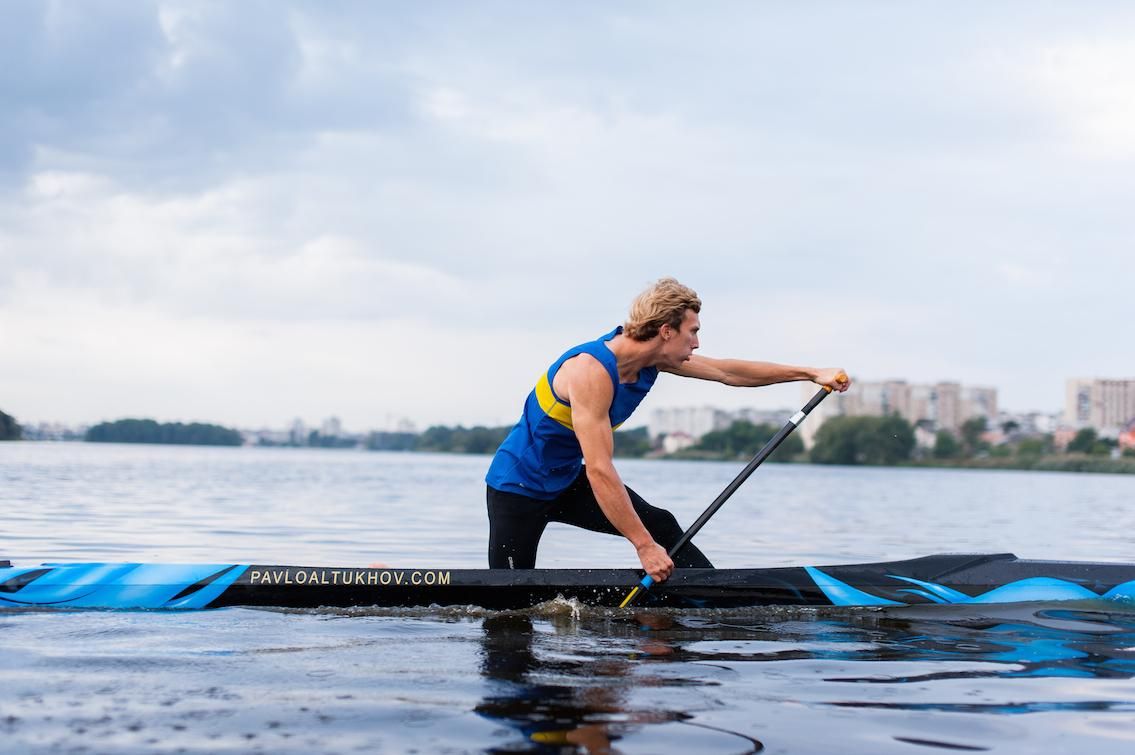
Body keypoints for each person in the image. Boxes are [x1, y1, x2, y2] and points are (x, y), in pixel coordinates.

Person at [484, 277, 850, 583]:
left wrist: (809, 373)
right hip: (517, 488)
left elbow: (729, 372)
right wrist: (643, 546)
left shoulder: (653, 361)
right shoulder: (590, 372)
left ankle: (712, 597)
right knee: (511, 597)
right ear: (665, 331)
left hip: (564, 481)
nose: (697, 343)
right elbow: (599, 468)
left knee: (660, 524)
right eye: (692, 332)